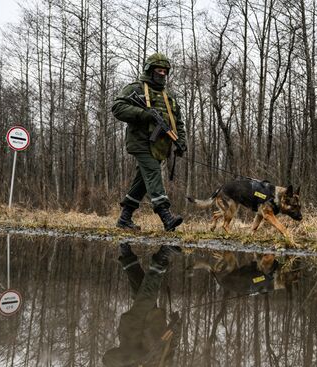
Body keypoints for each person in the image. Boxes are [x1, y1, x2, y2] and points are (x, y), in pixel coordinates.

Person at [112, 52, 186, 231]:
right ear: (150, 70)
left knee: (143, 181)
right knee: (153, 174)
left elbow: (177, 120)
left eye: (164, 71)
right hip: (141, 142)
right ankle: (166, 216)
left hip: (160, 145)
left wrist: (181, 141)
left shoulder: (169, 95)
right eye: (158, 70)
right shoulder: (135, 88)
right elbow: (117, 107)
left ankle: (125, 218)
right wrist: (143, 114)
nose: (162, 74)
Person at [102, 242, 182, 367]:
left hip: (133, 327)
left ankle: (162, 256)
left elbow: (108, 358)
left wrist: (136, 360)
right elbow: (171, 347)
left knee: (148, 295)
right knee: (141, 288)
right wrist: (176, 327)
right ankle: (126, 251)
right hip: (153, 319)